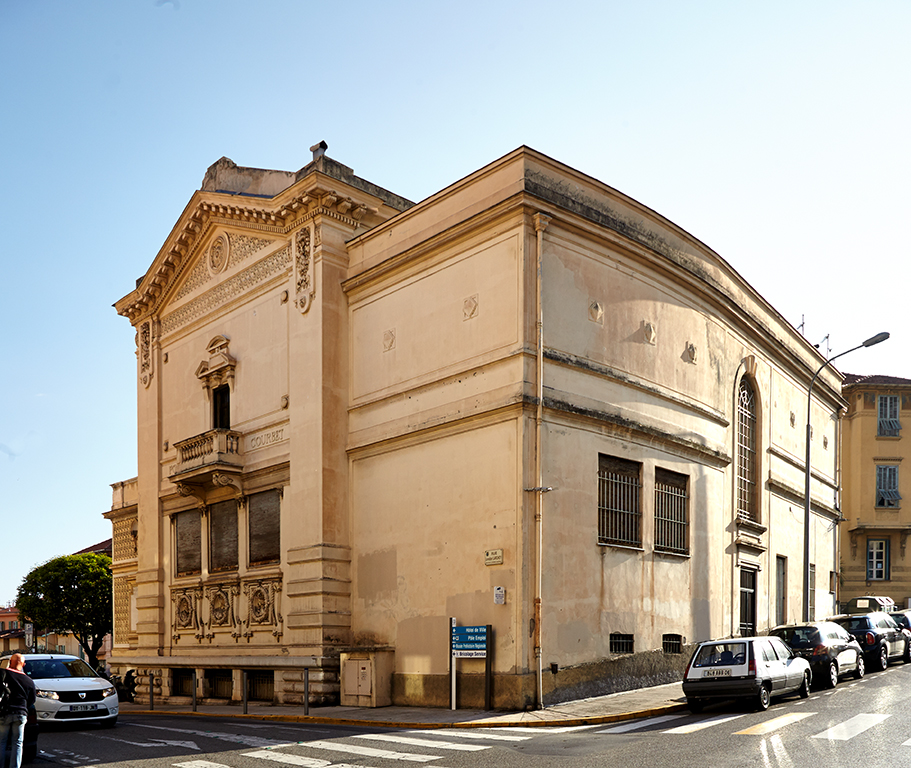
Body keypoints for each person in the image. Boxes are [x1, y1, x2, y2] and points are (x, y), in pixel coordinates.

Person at [0, 653, 36, 768]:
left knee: (2, 741)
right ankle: (14, 766)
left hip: (4, 712)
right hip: (21, 713)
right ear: (23, 664)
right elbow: (31, 700)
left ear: (10, 662)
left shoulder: (3, 674)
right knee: (18, 743)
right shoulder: (29, 681)